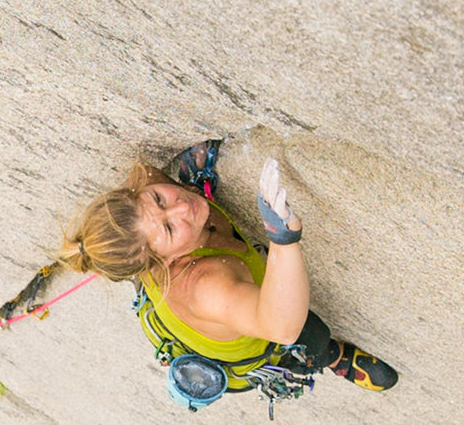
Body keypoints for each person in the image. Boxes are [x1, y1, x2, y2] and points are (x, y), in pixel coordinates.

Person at [59, 141, 397, 403]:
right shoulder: (205, 285)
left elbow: (144, 176)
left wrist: (178, 206)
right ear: (158, 261)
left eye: (161, 199)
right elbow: (282, 326)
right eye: (170, 229)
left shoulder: (144, 200)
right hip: (249, 351)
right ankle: (333, 359)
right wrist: (283, 240)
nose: (181, 206)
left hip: (192, 311)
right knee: (312, 334)